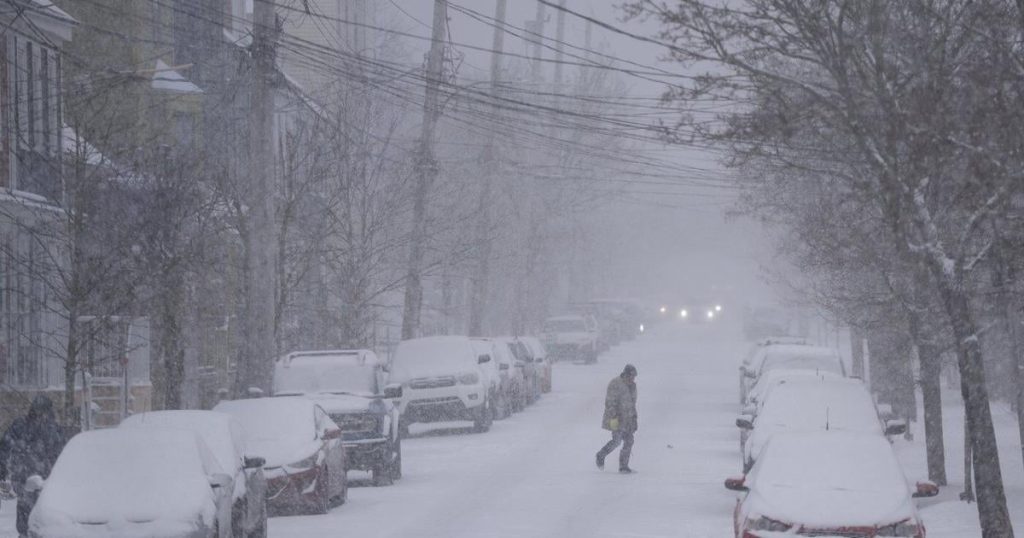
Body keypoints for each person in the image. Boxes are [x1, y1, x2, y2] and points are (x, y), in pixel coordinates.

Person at [0, 395, 66, 537]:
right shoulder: (53, 429)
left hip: (34, 478)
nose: (41, 415)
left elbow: (5, 446)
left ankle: (28, 533)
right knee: (32, 512)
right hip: (34, 479)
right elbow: (4, 447)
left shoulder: (24, 426)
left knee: (32, 512)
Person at [596, 364, 638, 473]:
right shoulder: (615, 383)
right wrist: (614, 415)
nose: (633, 378)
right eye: (631, 376)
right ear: (626, 374)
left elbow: (633, 404)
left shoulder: (633, 386)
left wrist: (634, 419)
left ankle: (623, 466)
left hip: (628, 419)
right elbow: (610, 402)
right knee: (617, 441)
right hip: (616, 419)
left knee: (629, 441)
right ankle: (601, 455)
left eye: (634, 376)